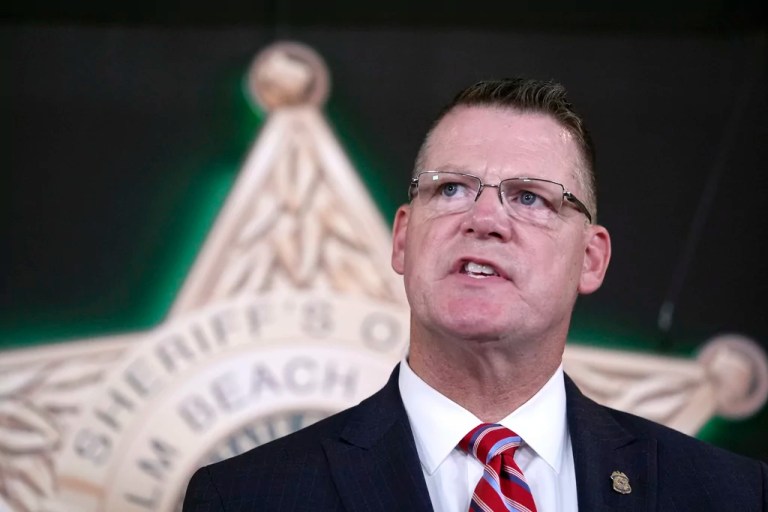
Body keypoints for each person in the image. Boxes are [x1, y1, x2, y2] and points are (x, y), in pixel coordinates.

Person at [182, 78, 768, 511]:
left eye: (531, 197)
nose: (485, 218)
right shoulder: (246, 497)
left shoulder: (729, 496)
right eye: (453, 188)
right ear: (405, 239)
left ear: (590, 258)